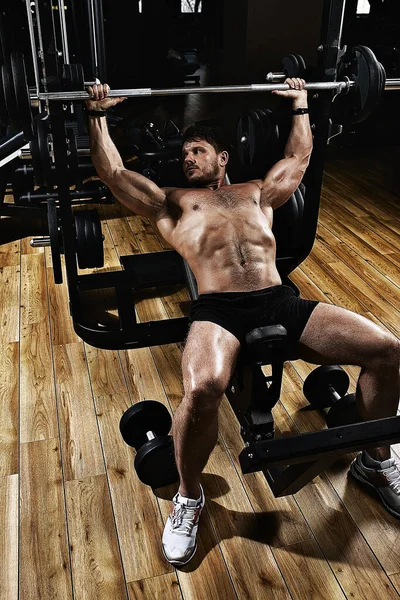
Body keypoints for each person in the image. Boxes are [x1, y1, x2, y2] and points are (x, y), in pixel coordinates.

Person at [85, 79, 400, 567]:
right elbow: (113, 171)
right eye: (184, 152)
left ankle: (375, 462)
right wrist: (97, 114)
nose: (188, 158)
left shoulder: (257, 193)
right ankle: (189, 497)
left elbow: (298, 159)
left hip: (280, 299)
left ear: (224, 157)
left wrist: (299, 103)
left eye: (198, 150)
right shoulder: (172, 201)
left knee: (387, 348)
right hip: (219, 310)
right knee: (204, 387)